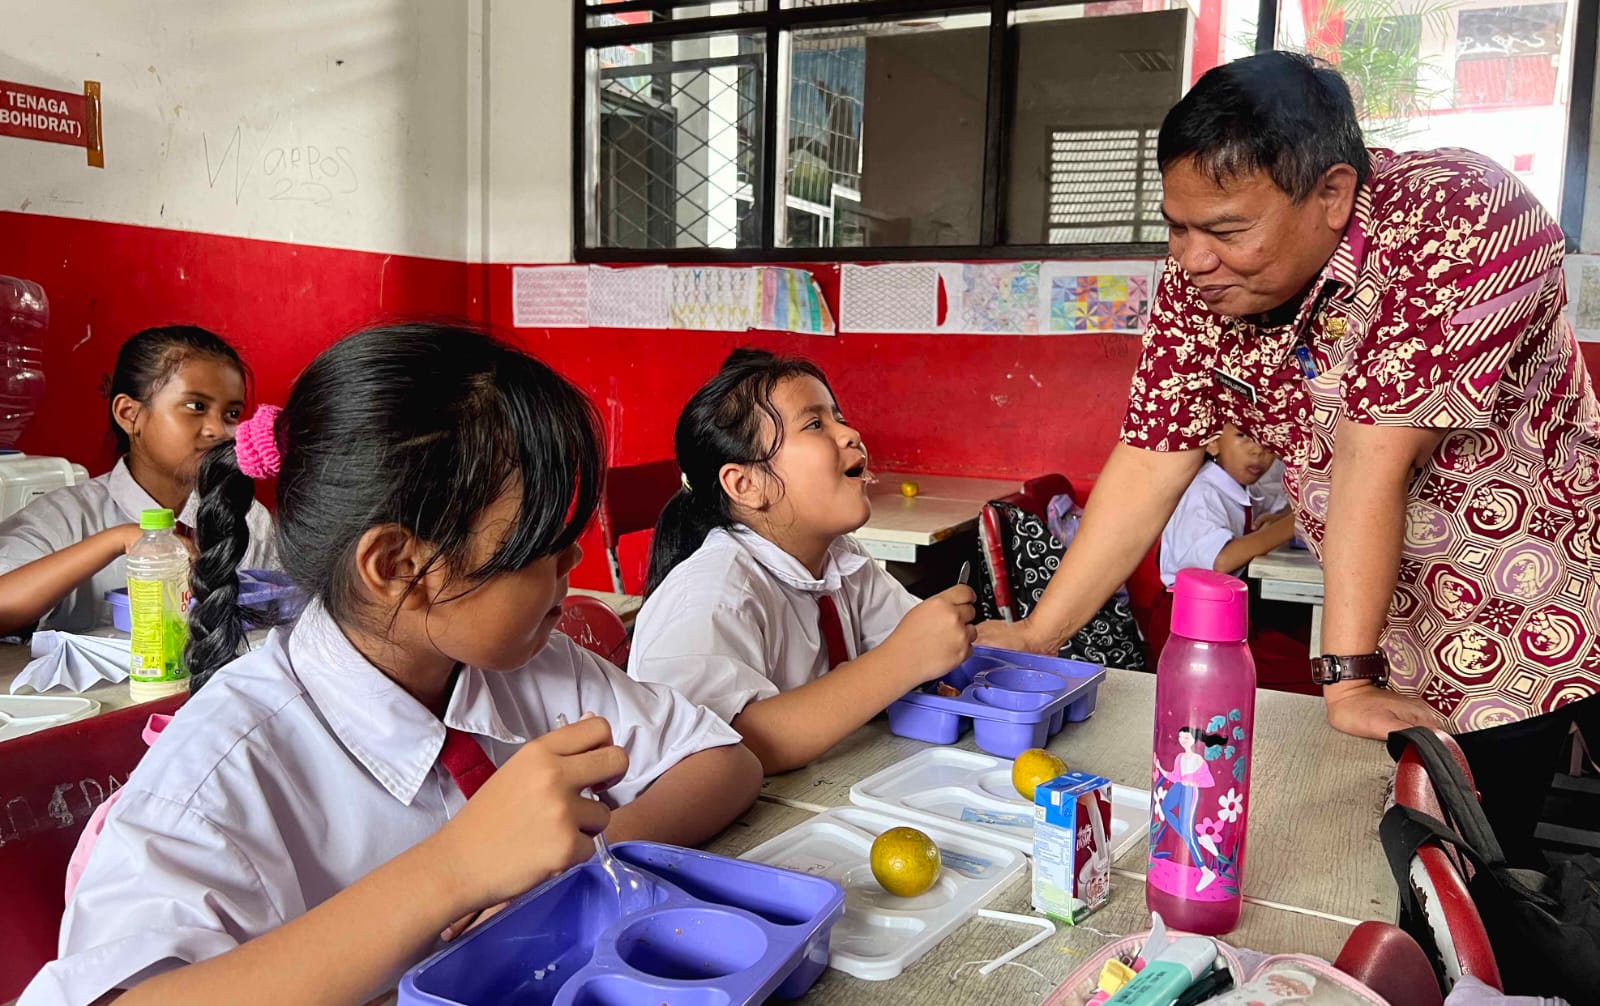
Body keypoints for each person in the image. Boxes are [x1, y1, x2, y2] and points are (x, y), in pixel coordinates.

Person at [21, 325, 762, 1006]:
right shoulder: (224, 768)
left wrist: (578, 865)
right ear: (398, 564)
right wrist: (458, 869)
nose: (572, 559)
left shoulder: (536, 666)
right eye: (540, 542)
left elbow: (723, 763)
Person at [980, 51, 1599, 856]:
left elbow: (1371, 458)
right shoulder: (1203, 277)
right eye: (1176, 225)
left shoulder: (1461, 217)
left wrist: (1345, 679)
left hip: (1528, 603)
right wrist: (1039, 632)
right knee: (1390, 844)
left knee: (1483, 853)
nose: (1192, 258)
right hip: (1379, 612)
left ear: (1333, 195)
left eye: (1226, 230)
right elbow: (1151, 456)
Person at [629, 349, 976, 774]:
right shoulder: (711, 597)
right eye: (815, 424)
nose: (850, 433)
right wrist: (902, 660)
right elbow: (733, 747)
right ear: (747, 484)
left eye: (838, 417)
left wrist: (962, 639)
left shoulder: (842, 559)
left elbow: (912, 637)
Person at [0, 326, 274, 634]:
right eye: (197, 406)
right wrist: (118, 540)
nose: (218, 430)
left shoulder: (248, 517)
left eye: (232, 414)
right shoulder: (66, 517)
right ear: (129, 414)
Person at [1159, 424, 1295, 588]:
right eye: (1243, 435)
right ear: (1212, 442)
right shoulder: (1202, 492)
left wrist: (1281, 519)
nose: (1258, 450)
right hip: (1191, 607)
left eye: (1269, 438)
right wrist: (1295, 524)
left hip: (1223, 601)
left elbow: (1287, 504)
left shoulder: (1243, 488)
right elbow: (1221, 561)